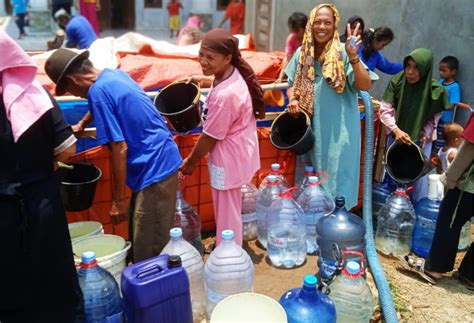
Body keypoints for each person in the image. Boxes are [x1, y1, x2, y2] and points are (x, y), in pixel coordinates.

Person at [44, 49, 183, 263]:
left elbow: (120, 148)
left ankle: (154, 292)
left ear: (74, 79)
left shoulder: (97, 93)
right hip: (160, 158)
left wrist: (118, 200)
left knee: (149, 247)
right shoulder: (112, 75)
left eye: (70, 89)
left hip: (155, 167)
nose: (76, 95)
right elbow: (105, 100)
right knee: (141, 234)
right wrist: (83, 122)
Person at [0, 31, 83, 322]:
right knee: (55, 279)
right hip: (42, 203)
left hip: (4, 214)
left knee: (11, 288)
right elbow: (67, 149)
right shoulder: (33, 93)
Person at [180, 28, 265, 246]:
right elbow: (217, 80)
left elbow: (209, 137)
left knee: (227, 213)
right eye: (201, 55)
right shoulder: (231, 73)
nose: (203, 61)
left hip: (227, 159)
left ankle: (229, 255)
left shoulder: (225, 96)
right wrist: (201, 79)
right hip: (237, 152)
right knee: (229, 208)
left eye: (210, 58)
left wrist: (190, 162)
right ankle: (227, 247)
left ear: (228, 58)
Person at [285, 4, 372, 209]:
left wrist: (353, 56)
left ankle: (337, 228)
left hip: (339, 135)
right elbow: (291, 86)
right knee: (309, 182)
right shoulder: (302, 53)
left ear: (334, 26)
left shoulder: (343, 52)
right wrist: (294, 99)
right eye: (317, 22)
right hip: (309, 133)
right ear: (310, 24)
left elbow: (364, 85)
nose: (321, 26)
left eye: (327, 22)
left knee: (336, 180)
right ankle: (311, 227)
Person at [379, 48, 449, 201]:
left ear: (425, 69)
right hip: (396, 137)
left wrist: (425, 134)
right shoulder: (397, 81)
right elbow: (385, 110)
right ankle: (392, 209)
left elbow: (434, 119)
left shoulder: (436, 90)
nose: (410, 72)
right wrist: (396, 130)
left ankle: (414, 213)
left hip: (422, 142)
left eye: (416, 68)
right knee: (393, 172)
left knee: (417, 178)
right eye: (408, 66)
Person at [423, 114, 474, 290]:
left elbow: (467, 152)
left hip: (469, 186)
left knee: (450, 219)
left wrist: (449, 180)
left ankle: (436, 267)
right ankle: (470, 274)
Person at [434, 56, 471, 153]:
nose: (441, 73)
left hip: (445, 120)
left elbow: (453, 105)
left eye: (444, 70)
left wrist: (441, 104)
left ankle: (437, 159)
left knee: (441, 140)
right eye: (440, 70)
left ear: (453, 72)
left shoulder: (454, 87)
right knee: (432, 137)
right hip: (435, 117)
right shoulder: (439, 82)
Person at [277, 12, 308, 82]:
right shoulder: (291, 39)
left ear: (305, 27)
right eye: (293, 31)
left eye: (297, 30)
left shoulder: (313, 38)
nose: (295, 34)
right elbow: (288, 59)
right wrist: (280, 78)